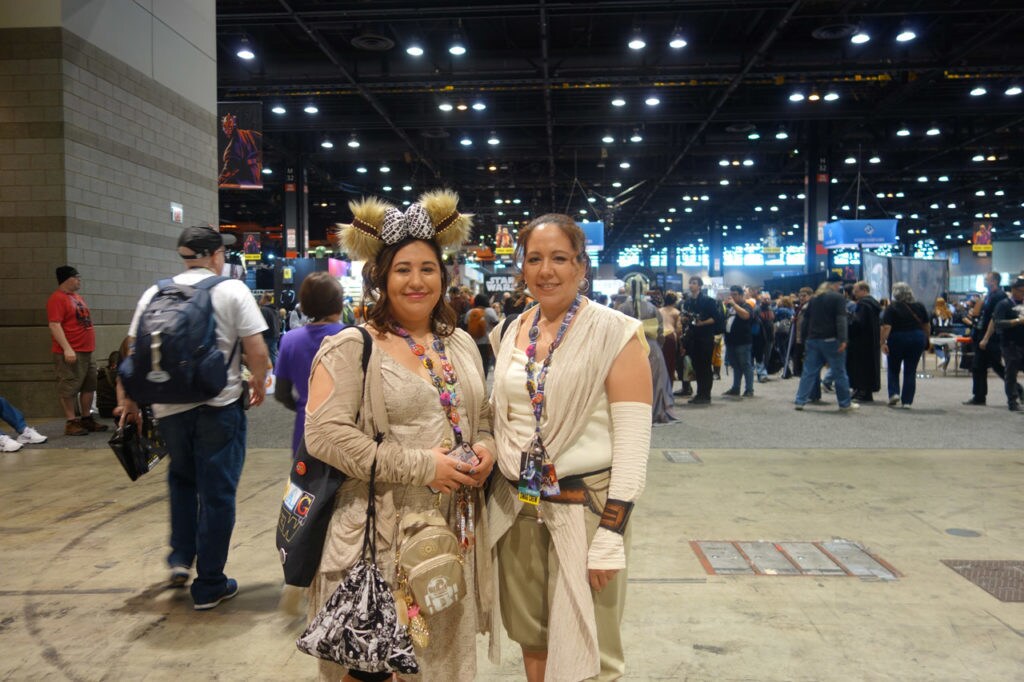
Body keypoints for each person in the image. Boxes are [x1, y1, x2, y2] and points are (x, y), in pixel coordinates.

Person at [305, 190, 494, 682]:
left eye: (427, 268)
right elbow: (324, 435)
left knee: (441, 661)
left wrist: (487, 448)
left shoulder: (460, 345)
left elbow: (485, 415)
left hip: (451, 531)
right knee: (375, 666)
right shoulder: (353, 346)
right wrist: (422, 465)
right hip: (377, 534)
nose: (416, 281)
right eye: (403, 269)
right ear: (381, 278)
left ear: (444, 275)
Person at [487, 213, 652, 682]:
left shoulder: (616, 333)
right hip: (520, 507)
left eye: (559, 258)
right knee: (532, 634)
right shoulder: (508, 332)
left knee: (593, 647)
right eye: (534, 259)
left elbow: (634, 441)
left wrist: (612, 532)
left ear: (582, 266)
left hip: (588, 511)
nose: (546, 271)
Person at [121, 225, 269, 609]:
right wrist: (257, 381)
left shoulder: (155, 291)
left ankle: (180, 559)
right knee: (217, 494)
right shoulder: (231, 290)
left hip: (168, 408)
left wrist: (131, 400)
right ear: (216, 255)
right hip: (219, 406)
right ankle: (210, 584)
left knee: (182, 480)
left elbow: (133, 351)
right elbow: (256, 348)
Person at [274, 273, 346, 456]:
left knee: (306, 482)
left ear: (304, 304)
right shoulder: (354, 336)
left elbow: (281, 393)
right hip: (349, 430)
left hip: (306, 430)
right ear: (338, 303)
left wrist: (302, 405)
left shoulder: (290, 340)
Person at [47, 265, 107, 436]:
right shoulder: (57, 299)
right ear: (67, 279)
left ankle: (86, 418)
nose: (79, 280)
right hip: (71, 350)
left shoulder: (77, 297)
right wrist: (67, 348)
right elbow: (54, 325)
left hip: (87, 350)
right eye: (76, 277)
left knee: (89, 385)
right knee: (69, 385)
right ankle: (71, 421)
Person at [794, 274, 857, 411]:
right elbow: (841, 320)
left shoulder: (814, 299)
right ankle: (845, 403)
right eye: (839, 285)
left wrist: (804, 339)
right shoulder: (838, 298)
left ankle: (800, 401)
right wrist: (843, 339)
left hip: (813, 340)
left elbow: (806, 320)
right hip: (831, 340)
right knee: (839, 372)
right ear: (835, 285)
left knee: (809, 372)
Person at [618, 272, 675, 422]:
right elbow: (660, 332)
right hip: (652, 348)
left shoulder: (622, 308)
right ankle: (655, 413)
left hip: (629, 348)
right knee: (655, 382)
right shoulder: (652, 308)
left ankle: (633, 415)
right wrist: (658, 346)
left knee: (631, 382)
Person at [879, 282, 930, 409]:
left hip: (897, 338)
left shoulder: (892, 308)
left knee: (893, 367)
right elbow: (926, 325)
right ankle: (907, 401)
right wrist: (926, 339)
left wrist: (882, 342)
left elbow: (887, 327)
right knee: (910, 370)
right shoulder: (920, 306)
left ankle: (894, 393)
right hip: (917, 338)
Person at [964, 272, 1010, 406]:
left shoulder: (999, 296)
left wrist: (986, 338)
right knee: (979, 366)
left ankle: (1017, 390)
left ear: (994, 281)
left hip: (991, 337)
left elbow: (994, 318)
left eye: (986, 279)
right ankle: (979, 396)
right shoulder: (989, 296)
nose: (984, 281)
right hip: (982, 335)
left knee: (997, 366)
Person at [983, 277, 1024, 411]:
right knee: (1011, 373)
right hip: (1010, 344)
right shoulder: (1004, 304)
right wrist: (1016, 321)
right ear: (1013, 290)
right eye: (1021, 291)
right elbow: (998, 322)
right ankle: (1012, 401)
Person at [683, 277, 719, 404]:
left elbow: (716, 318)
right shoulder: (687, 302)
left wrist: (702, 323)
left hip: (705, 337)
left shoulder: (708, 301)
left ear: (700, 286)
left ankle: (706, 395)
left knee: (705, 367)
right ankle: (700, 393)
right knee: (697, 366)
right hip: (693, 338)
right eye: (690, 283)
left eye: (694, 283)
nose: (691, 285)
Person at [847, 281, 882, 402]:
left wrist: (848, 320)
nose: (854, 294)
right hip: (871, 341)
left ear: (864, 290)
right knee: (870, 367)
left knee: (860, 367)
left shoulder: (863, 305)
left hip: (861, 342)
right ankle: (866, 392)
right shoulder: (873, 304)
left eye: (856, 291)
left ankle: (861, 391)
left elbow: (857, 323)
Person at [722, 285, 754, 397]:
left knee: (746, 365)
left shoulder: (747, 305)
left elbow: (746, 316)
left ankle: (749, 389)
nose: (732, 297)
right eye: (731, 294)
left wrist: (734, 305)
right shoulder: (730, 307)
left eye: (735, 295)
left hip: (743, 341)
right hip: (731, 341)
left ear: (741, 295)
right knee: (735, 365)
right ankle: (735, 388)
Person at [217, 112, 262, 186]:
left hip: (247, 177)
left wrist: (219, 181)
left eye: (230, 127)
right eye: (225, 127)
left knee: (224, 185)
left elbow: (231, 165)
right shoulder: (249, 134)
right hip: (256, 175)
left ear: (234, 126)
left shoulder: (239, 139)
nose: (227, 131)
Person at [465, 293, 500, 378]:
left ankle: (476, 379)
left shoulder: (470, 312)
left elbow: (465, 324)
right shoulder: (489, 311)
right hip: (486, 341)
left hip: (472, 342)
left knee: (474, 362)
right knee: (485, 362)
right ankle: (483, 379)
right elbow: (496, 323)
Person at [659, 292, 681, 390]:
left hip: (659, 337)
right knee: (670, 364)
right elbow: (679, 329)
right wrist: (681, 345)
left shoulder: (659, 311)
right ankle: (668, 388)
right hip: (671, 337)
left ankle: (660, 388)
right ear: (675, 301)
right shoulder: (676, 312)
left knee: (660, 363)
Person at [930, 297, 956, 371]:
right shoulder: (949, 312)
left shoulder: (934, 312)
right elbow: (951, 323)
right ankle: (944, 367)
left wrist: (932, 333)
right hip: (949, 332)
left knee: (937, 347)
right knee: (946, 349)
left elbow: (933, 324)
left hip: (939, 332)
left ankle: (942, 358)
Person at [259, 293, 281, 366]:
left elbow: (262, 324)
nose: (260, 300)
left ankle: (275, 373)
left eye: (261, 298)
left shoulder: (264, 309)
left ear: (265, 299)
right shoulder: (275, 309)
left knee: (268, 357)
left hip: (267, 336)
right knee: (274, 354)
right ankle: (277, 372)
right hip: (275, 335)